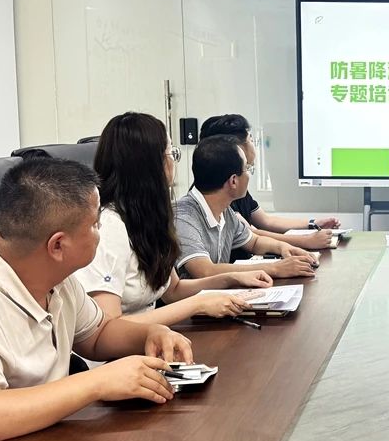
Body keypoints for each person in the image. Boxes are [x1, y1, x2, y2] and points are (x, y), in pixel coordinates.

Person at [0, 158, 194, 441]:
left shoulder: (56, 282)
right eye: (95, 224)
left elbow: (97, 334)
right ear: (58, 245)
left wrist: (150, 333)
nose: (101, 232)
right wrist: (96, 383)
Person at [76, 112, 274, 325]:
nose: (174, 162)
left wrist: (229, 279)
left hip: (153, 338)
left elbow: (174, 290)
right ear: (151, 164)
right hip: (127, 345)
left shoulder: (148, 218)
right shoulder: (110, 227)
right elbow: (108, 328)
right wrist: (198, 304)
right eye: (171, 153)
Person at [175, 135, 318, 280]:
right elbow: (204, 271)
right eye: (247, 168)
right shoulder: (183, 216)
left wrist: (283, 247)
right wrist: (275, 268)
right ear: (233, 181)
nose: (249, 174)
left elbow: (254, 242)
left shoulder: (225, 211)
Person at [199, 115, 341, 250]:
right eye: (251, 140)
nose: (254, 146)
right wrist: (306, 241)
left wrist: (313, 224)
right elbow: (251, 234)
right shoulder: (218, 189)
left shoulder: (237, 185)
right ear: (236, 148)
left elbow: (266, 221)